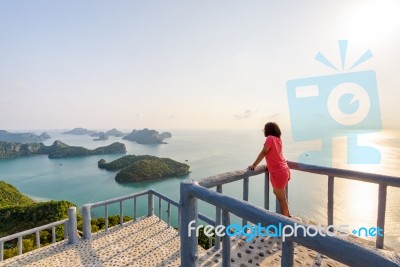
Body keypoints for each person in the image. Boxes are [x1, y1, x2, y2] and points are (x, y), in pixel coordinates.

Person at [249, 122, 291, 217]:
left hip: (278, 171)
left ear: (268, 130)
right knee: (279, 194)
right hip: (283, 169)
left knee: (282, 199)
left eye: (264, 129)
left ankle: (286, 221)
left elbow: (264, 152)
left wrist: (254, 164)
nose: (264, 131)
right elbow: (277, 155)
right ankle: (288, 216)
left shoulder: (270, 138)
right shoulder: (278, 139)